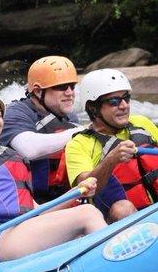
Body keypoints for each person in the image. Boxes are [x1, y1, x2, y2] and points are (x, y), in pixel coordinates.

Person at [0, 86, 107, 263]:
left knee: (85, 212)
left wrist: (76, 193)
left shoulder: (10, 157)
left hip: (21, 230)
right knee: (87, 213)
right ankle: (114, 263)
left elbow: (37, 211)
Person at [65, 68, 158, 222]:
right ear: (93, 108)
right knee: (123, 209)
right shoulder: (79, 144)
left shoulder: (142, 122)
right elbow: (84, 190)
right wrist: (111, 160)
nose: (124, 106)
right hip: (124, 221)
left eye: (126, 98)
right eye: (113, 101)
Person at [0, 56, 84, 203]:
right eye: (62, 87)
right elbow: (28, 149)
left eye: (72, 86)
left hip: (58, 198)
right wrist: (81, 132)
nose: (70, 92)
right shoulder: (15, 112)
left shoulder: (70, 117)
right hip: (26, 203)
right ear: (38, 92)